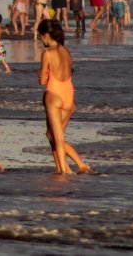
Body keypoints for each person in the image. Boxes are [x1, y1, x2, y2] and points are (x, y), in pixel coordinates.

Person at [37, 19, 90, 174]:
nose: (41, 39)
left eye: (41, 36)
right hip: (69, 94)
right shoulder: (66, 51)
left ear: (46, 35)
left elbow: (43, 81)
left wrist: (40, 75)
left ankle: (64, 173)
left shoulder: (47, 53)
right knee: (52, 135)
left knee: (58, 138)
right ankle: (74, 166)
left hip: (54, 94)